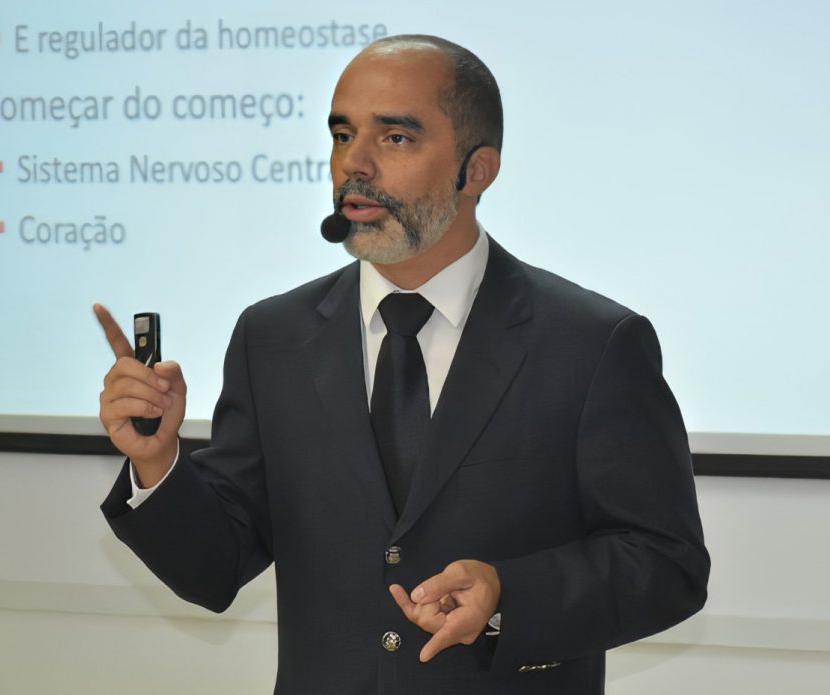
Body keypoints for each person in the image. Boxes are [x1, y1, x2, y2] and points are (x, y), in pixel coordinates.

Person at [96, 34, 708, 694]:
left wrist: (508, 594)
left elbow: (666, 563)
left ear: (476, 170)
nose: (352, 164)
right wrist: (158, 464)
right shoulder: (273, 337)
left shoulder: (591, 343)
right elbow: (215, 565)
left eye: (394, 138)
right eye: (341, 135)